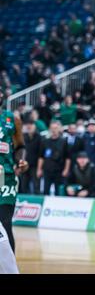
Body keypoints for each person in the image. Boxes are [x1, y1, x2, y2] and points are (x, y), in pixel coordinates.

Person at [0, 87, 28, 253]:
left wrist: (21, 161)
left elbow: (20, 146)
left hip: (6, 175)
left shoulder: (12, 119)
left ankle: (9, 268)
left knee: (4, 221)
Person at [37, 121, 71, 195]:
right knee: (45, 190)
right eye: (52, 128)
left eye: (55, 128)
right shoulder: (45, 141)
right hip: (47, 170)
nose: (54, 130)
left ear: (59, 129)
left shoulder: (64, 141)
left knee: (57, 191)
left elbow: (68, 158)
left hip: (59, 170)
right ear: (49, 129)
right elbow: (41, 157)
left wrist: (66, 169)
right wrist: (39, 169)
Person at [20, 120, 42, 194]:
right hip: (25, 165)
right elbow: (21, 152)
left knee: (36, 186)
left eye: (31, 125)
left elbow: (41, 155)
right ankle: (24, 203)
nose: (29, 126)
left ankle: (37, 203)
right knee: (24, 185)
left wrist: (39, 168)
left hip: (35, 166)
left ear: (35, 126)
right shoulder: (24, 137)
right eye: (28, 125)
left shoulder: (39, 138)